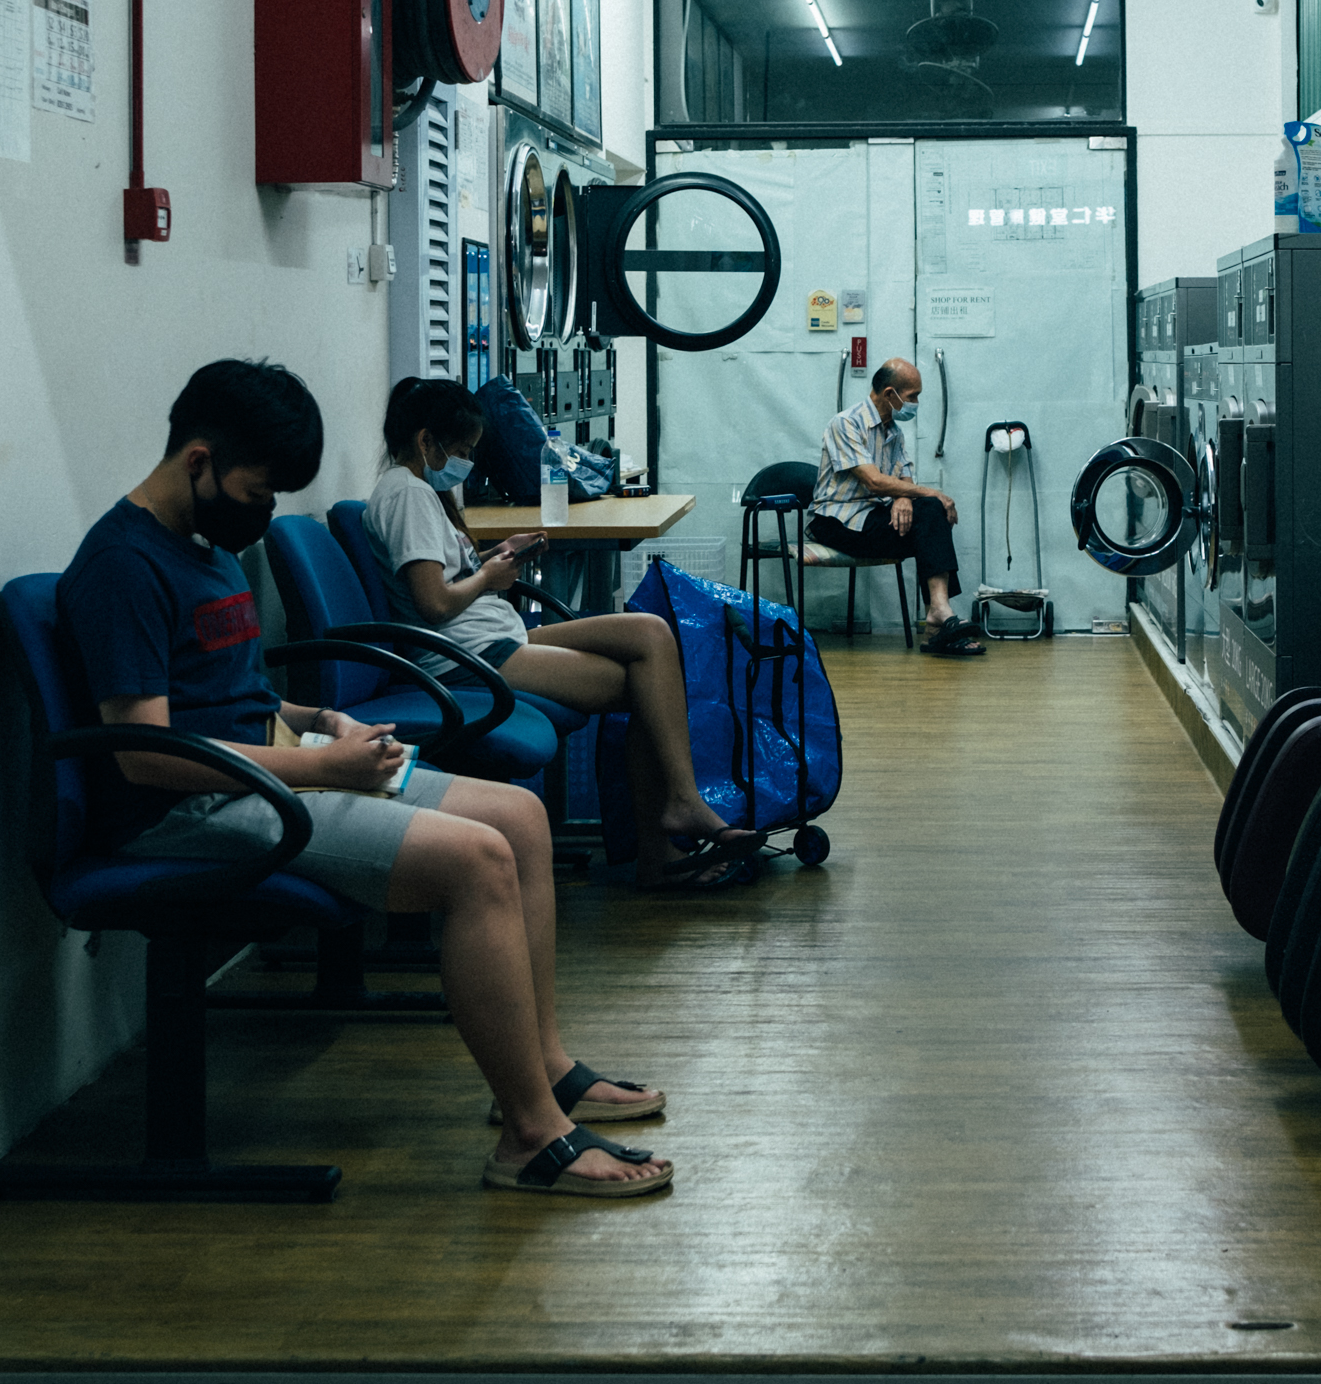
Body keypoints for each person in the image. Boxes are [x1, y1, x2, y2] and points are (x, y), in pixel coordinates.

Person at [56, 359, 671, 1198]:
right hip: (192, 806)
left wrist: (320, 722)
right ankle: (531, 1135)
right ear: (198, 461)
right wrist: (318, 767)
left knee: (520, 817)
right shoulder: (123, 564)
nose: (265, 513)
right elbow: (144, 752)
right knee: (478, 861)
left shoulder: (200, 547)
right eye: (258, 489)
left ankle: (545, 1068)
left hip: (269, 770)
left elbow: (228, 693)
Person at [364, 376, 763, 887]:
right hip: (469, 654)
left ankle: (679, 809)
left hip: (494, 637)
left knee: (651, 633)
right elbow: (434, 602)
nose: (465, 461)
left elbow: (445, 579)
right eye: (461, 450)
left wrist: (496, 556)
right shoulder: (408, 496)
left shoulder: (417, 493)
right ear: (426, 441)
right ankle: (665, 837)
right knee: (646, 687)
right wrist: (490, 576)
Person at [810, 358, 983, 657]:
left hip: (870, 518)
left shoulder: (894, 433)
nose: (916, 403)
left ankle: (938, 615)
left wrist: (904, 497)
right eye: (913, 396)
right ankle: (938, 625)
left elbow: (903, 479)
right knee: (930, 507)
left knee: (930, 513)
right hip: (836, 522)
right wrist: (926, 492)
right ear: (890, 394)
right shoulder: (846, 424)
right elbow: (875, 482)